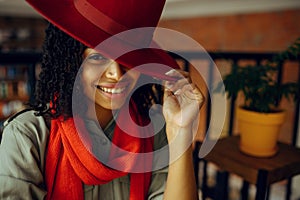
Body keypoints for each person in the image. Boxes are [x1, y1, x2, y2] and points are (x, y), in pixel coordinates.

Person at [0, 0, 204, 199]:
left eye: (128, 58)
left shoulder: (154, 132)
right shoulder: (28, 136)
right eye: (98, 58)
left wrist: (181, 131)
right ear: (71, 63)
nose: (116, 74)